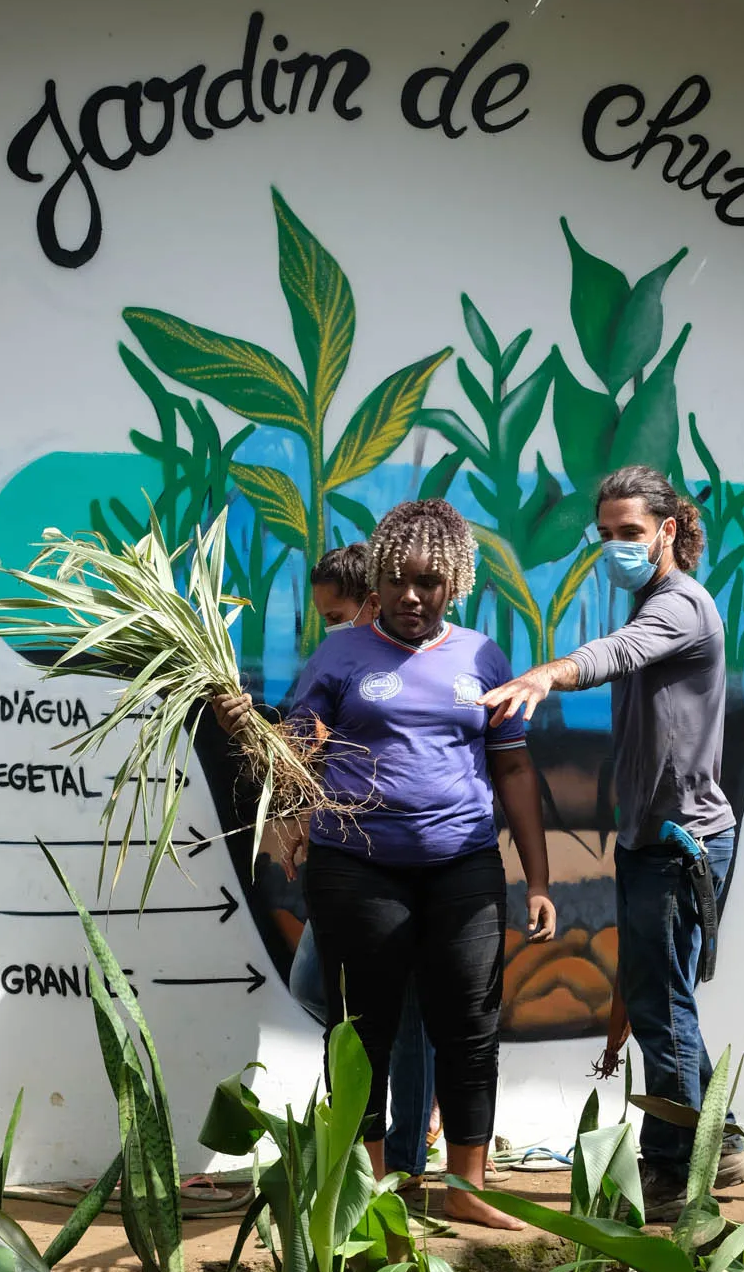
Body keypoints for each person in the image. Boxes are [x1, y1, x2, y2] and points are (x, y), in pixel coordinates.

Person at [236, 498, 556, 1229]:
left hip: (464, 868)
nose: (413, 596)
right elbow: (298, 755)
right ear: (376, 580)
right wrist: (272, 767)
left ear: (456, 584)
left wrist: (537, 879)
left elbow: (512, 772)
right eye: (398, 580)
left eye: (431, 582)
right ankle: (368, 1188)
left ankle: (467, 1189)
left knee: (470, 1026)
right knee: (361, 1027)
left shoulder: (482, 658)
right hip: (359, 869)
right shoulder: (341, 655)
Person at [481, 464, 744, 1222]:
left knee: (660, 1003)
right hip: (651, 839)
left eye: (629, 534)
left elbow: (617, 654)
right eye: (605, 535)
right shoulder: (653, 599)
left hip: (679, 844)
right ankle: (718, 1139)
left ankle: (674, 1169)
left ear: (668, 531)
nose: (615, 548)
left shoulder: (680, 607)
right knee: (659, 994)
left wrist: (549, 675)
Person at [219, 544, 438, 1182]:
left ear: (372, 601)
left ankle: (407, 1153)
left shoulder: (410, 665)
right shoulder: (339, 660)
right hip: (346, 861)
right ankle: (393, 1135)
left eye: (337, 612)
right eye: (323, 615)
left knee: (406, 1010)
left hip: (405, 859)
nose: (329, 626)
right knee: (322, 989)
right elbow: (301, 746)